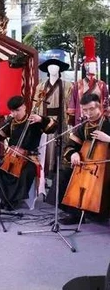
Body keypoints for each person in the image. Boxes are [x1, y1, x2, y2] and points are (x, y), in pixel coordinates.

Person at [0, 95, 57, 210]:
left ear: (24, 107)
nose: (15, 113)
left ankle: (13, 201)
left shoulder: (34, 121)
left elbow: (53, 127)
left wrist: (41, 119)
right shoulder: (11, 122)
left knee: (23, 173)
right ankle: (2, 197)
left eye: (18, 110)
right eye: (12, 111)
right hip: (11, 156)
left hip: (29, 158)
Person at [58, 93, 110, 225]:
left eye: (91, 109)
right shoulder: (83, 127)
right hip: (89, 166)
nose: (88, 113)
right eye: (85, 110)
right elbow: (69, 147)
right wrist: (73, 154)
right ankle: (74, 213)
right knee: (65, 174)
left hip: (107, 165)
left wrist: (108, 139)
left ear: (100, 107)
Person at [35, 59, 73, 191]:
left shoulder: (68, 85)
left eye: (56, 67)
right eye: (50, 67)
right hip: (45, 122)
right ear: (47, 70)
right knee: (45, 149)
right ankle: (44, 179)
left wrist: (70, 123)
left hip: (61, 121)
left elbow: (71, 106)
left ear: (60, 69)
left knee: (59, 148)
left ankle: (57, 179)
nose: (53, 69)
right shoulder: (40, 87)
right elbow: (36, 105)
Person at [67, 36, 109, 125]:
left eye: (95, 65)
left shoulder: (101, 84)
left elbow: (106, 103)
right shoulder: (78, 84)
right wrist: (71, 119)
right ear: (86, 66)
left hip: (98, 118)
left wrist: (105, 115)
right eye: (91, 64)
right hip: (81, 118)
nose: (94, 67)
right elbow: (73, 103)